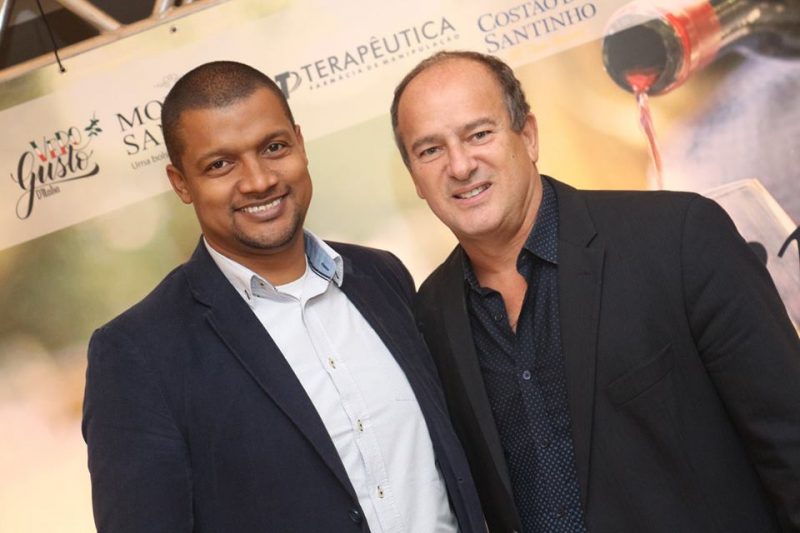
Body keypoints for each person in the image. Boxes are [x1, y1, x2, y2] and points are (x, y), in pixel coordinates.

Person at [391, 50, 800, 533]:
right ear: (415, 177)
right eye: (430, 150)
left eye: (479, 134)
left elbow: (788, 437)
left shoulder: (678, 238)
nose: (460, 166)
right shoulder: (428, 317)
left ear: (528, 135)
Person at [82, 60, 485, 533]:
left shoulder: (382, 277)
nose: (259, 180)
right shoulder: (137, 354)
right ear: (181, 183)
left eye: (273, 148)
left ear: (300, 143)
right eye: (220, 164)